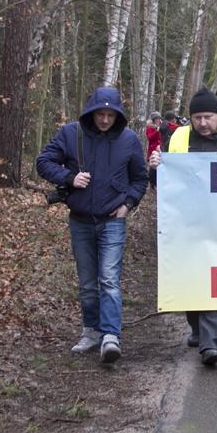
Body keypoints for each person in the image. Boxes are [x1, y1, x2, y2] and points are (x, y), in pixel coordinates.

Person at [36, 87, 149, 364]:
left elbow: (140, 177)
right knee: (87, 283)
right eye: (100, 113)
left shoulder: (129, 139)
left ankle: (111, 336)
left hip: (113, 221)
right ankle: (90, 331)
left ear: (118, 115)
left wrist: (129, 204)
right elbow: (43, 162)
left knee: (109, 280)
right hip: (80, 221)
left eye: (111, 114)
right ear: (91, 111)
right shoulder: (70, 134)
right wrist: (69, 177)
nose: (105, 120)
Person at [149, 87, 217, 365]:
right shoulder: (178, 137)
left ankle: (210, 343)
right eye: (197, 118)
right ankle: (197, 329)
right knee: (192, 278)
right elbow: (160, 185)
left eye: (208, 117)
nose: (203, 123)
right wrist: (156, 167)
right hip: (186, 222)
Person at [146, 112, 163, 189]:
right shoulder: (149, 127)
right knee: (152, 168)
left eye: (159, 118)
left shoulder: (161, 126)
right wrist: (157, 131)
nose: (158, 120)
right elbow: (150, 137)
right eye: (156, 119)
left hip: (160, 149)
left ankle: (157, 182)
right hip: (153, 150)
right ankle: (151, 182)